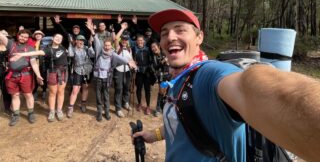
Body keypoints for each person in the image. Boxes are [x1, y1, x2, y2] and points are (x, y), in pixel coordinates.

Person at [132, 8, 320, 162]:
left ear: (199, 38)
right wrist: (153, 135)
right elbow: (181, 121)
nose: (170, 37)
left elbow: (249, 88)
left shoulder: (208, 73)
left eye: (180, 30)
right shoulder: (179, 80)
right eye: (164, 33)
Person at [0, 13, 43, 126]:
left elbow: (33, 62)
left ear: (28, 38)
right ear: (18, 36)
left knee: (28, 95)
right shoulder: (11, 44)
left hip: (26, 75)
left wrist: (38, 75)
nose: (23, 38)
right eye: (21, 36)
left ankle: (31, 113)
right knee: (15, 95)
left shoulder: (30, 48)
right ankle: (16, 115)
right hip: (12, 76)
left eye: (26, 37)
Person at [86, 17, 136, 122]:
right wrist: (92, 31)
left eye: (109, 45)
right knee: (99, 96)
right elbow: (96, 40)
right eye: (106, 45)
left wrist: (129, 62)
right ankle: (99, 112)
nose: (107, 47)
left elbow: (120, 58)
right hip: (98, 78)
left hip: (107, 78)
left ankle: (107, 112)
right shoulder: (99, 50)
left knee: (106, 95)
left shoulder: (113, 53)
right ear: (103, 45)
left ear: (111, 46)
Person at [11, 33, 69, 122]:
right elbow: (37, 52)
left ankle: (59, 110)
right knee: (53, 93)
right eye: (56, 37)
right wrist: (22, 54)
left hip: (63, 72)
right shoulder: (48, 49)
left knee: (61, 92)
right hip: (53, 72)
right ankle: (52, 111)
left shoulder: (63, 48)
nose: (58, 39)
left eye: (60, 38)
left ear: (62, 40)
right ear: (53, 38)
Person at [67, 34, 95, 117]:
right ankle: (70, 107)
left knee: (85, 87)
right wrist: (69, 43)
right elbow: (70, 55)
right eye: (79, 40)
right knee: (75, 89)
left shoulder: (86, 48)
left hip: (87, 70)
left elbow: (92, 55)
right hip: (77, 70)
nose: (81, 42)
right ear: (76, 41)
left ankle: (83, 103)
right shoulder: (73, 49)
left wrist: (90, 45)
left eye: (82, 40)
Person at [113, 22, 134, 118]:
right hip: (118, 70)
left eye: (126, 39)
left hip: (127, 71)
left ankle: (125, 102)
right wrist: (121, 28)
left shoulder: (129, 49)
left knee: (126, 87)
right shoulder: (118, 47)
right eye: (123, 39)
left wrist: (134, 66)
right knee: (119, 88)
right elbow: (116, 38)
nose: (124, 41)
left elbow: (131, 59)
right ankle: (118, 108)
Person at [133, 34, 153, 115]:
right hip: (138, 72)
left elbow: (151, 60)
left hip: (147, 72)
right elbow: (132, 58)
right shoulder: (134, 49)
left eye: (141, 40)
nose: (140, 42)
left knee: (147, 90)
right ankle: (139, 104)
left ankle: (148, 106)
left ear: (144, 41)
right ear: (136, 42)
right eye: (139, 41)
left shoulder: (148, 49)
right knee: (139, 88)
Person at [149, 41, 169, 117]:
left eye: (154, 46)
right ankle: (157, 108)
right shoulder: (153, 57)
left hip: (169, 75)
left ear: (159, 46)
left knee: (166, 92)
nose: (153, 48)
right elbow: (155, 67)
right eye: (152, 47)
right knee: (161, 91)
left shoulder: (165, 53)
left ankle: (163, 107)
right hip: (161, 76)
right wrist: (162, 62)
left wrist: (168, 62)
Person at [32, 30, 47, 101]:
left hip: (43, 62)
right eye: (36, 34)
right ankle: (35, 91)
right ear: (35, 36)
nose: (38, 35)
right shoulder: (32, 43)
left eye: (39, 34)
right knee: (34, 78)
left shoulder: (46, 43)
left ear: (42, 36)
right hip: (34, 62)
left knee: (43, 77)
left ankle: (44, 90)